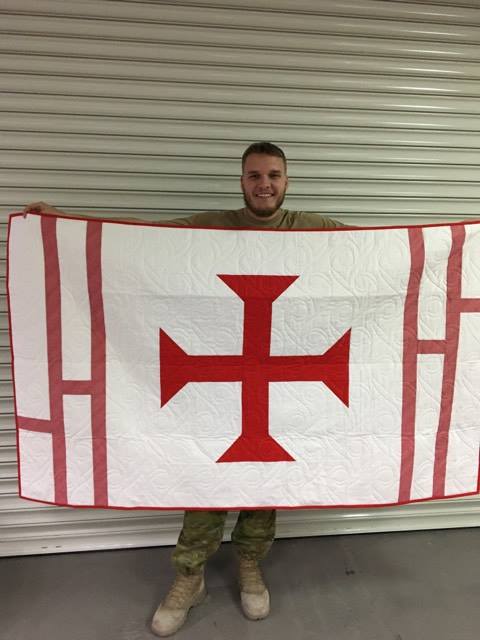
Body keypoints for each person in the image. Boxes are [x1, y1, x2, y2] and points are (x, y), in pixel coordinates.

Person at [24, 141, 345, 637]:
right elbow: (137, 242)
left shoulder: (313, 229)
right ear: (241, 181)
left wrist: (452, 243)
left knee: (264, 472)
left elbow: (381, 253)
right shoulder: (212, 225)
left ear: (287, 181)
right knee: (206, 472)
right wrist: (65, 224)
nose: (264, 185)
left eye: (273, 175)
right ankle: (189, 576)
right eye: (254, 175)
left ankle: (249, 564)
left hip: (279, 375)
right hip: (213, 377)